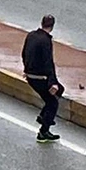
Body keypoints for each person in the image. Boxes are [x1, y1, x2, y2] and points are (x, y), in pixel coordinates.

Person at [22, 14, 64, 143]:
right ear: (52, 26)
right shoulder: (46, 41)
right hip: (40, 78)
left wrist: (26, 69)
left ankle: (43, 116)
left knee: (60, 90)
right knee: (53, 102)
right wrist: (53, 82)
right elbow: (48, 62)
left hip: (30, 75)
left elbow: (24, 53)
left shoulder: (31, 35)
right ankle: (43, 131)